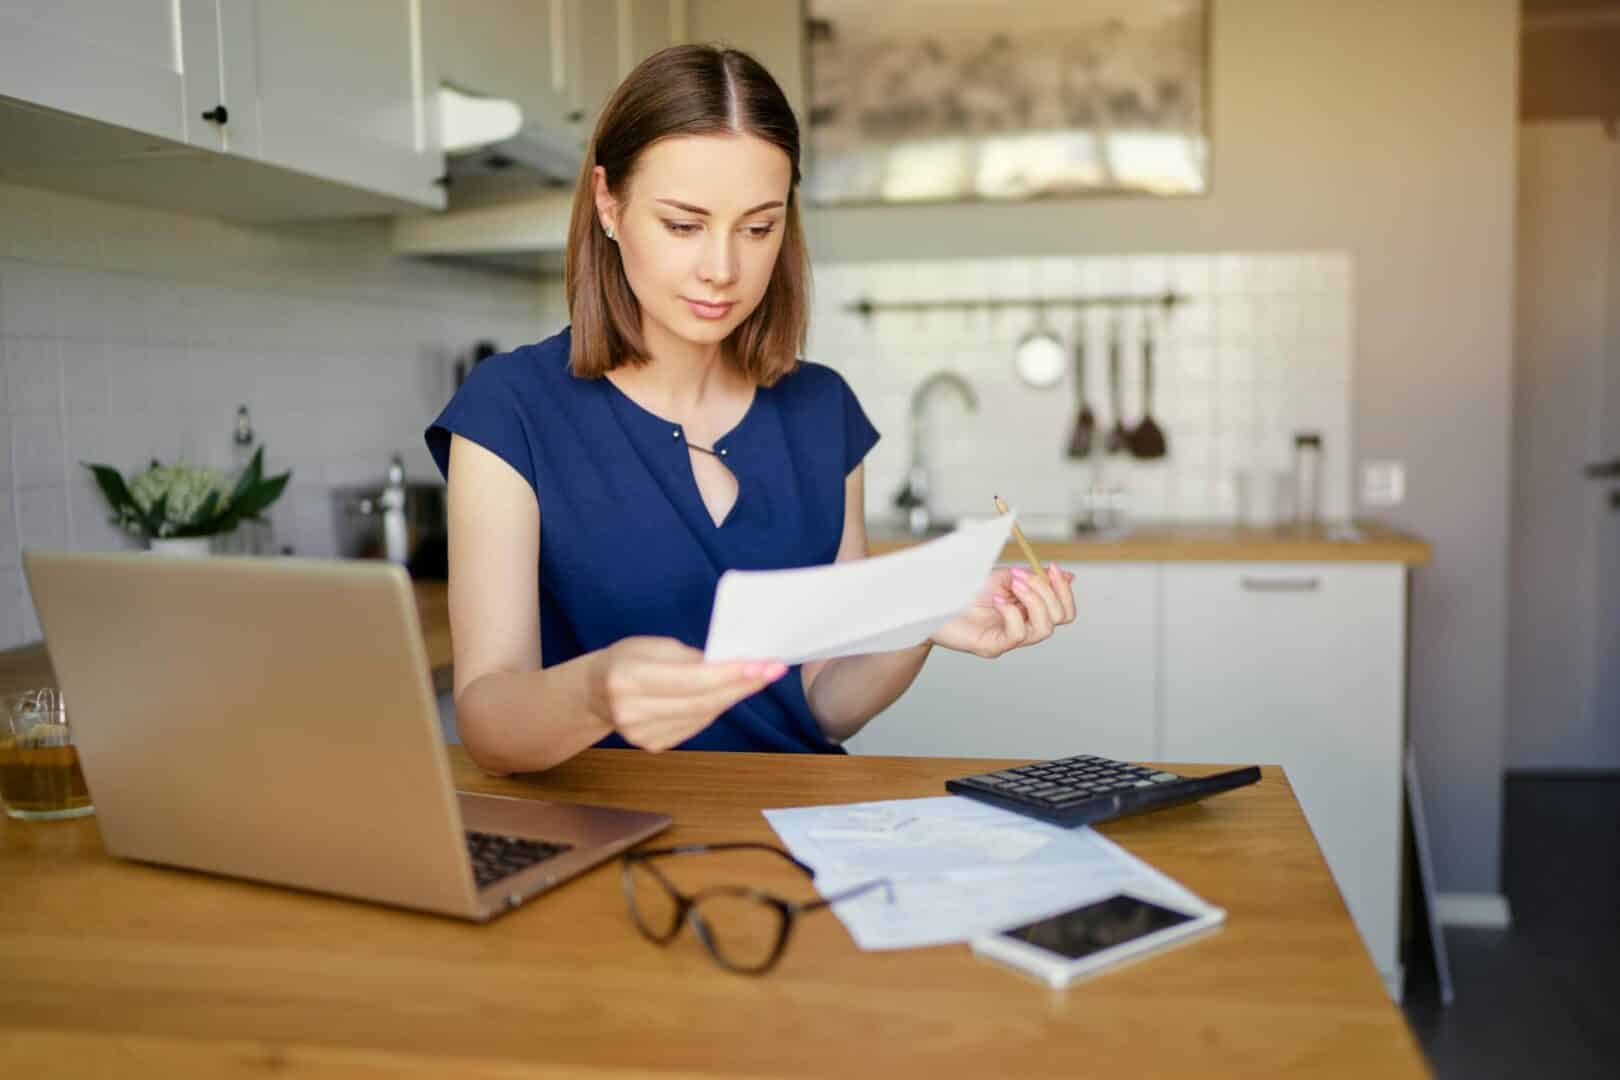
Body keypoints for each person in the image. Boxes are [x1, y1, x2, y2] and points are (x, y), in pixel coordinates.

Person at [425, 44, 1076, 775]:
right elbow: (487, 717)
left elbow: (823, 698)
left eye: (758, 227)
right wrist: (598, 693)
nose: (723, 269)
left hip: (799, 824)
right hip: (601, 836)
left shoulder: (823, 411)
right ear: (609, 203)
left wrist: (922, 619)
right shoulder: (510, 410)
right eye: (683, 225)